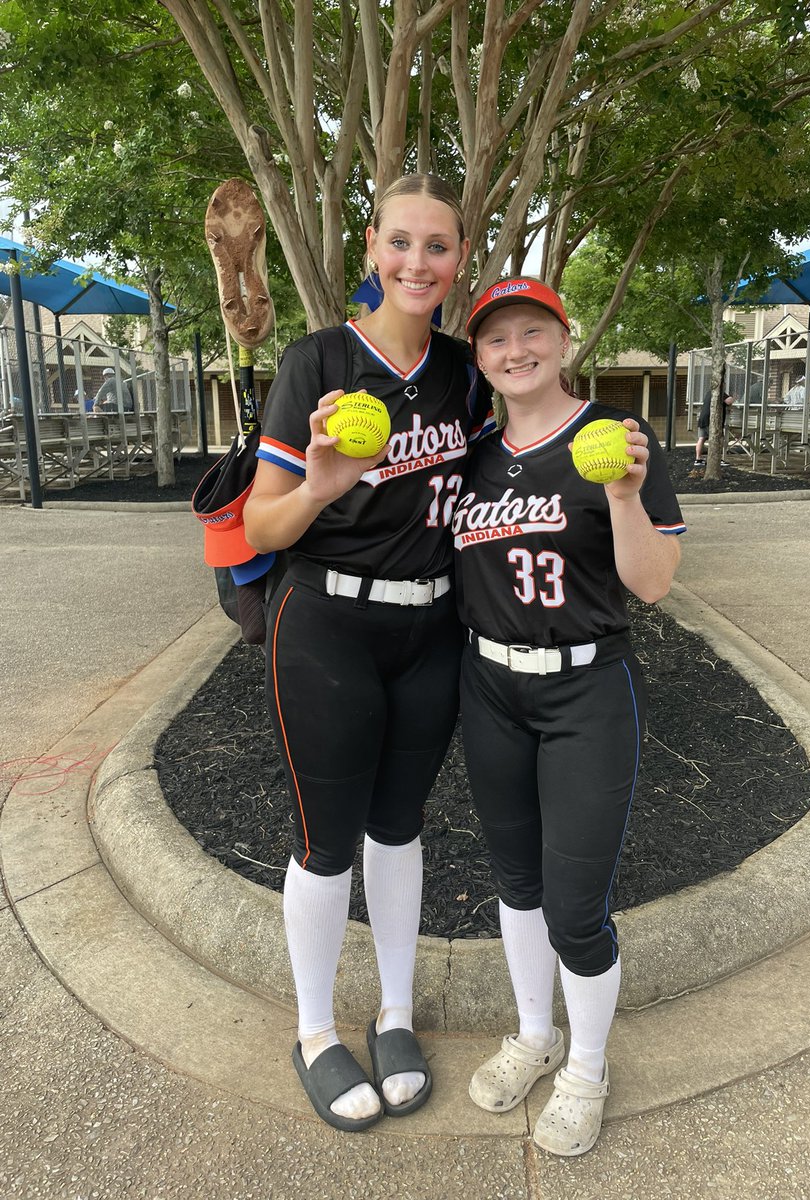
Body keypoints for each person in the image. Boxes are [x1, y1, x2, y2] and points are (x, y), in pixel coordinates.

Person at [242, 173, 493, 1133]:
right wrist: (321, 484)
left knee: (401, 828)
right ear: (372, 248)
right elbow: (263, 529)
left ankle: (393, 1013)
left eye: (437, 246)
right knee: (327, 841)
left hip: (429, 632)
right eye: (400, 243)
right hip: (327, 628)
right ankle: (314, 1031)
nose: (417, 263)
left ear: (459, 258)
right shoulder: (316, 363)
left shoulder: (467, 373)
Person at [454, 278, 685, 1157]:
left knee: (575, 910)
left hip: (588, 689)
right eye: (497, 340)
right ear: (479, 358)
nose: (516, 351)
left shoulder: (612, 436)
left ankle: (586, 1065)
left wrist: (625, 495)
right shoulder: (472, 453)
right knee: (517, 883)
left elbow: (654, 583)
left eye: (533, 332)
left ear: (563, 338)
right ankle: (533, 1034)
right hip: (490, 689)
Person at [694, 374, 734, 465]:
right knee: (717, 439)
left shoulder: (709, 392)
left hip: (702, 419)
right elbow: (729, 401)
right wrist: (733, 397)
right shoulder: (719, 392)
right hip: (710, 420)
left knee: (701, 439)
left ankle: (698, 459)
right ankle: (717, 460)